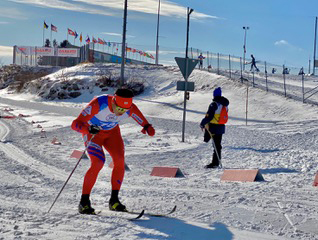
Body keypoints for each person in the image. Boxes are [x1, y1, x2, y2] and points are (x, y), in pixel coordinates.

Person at [71, 88, 155, 214]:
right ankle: (84, 202)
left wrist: (147, 127)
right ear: (114, 102)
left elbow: (140, 118)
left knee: (120, 161)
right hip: (94, 134)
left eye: (125, 110)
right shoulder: (99, 103)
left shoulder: (130, 107)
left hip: (112, 134)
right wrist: (88, 129)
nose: (121, 113)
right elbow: (75, 124)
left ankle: (114, 201)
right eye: (119, 109)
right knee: (98, 162)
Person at [200, 87, 229, 168]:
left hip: (213, 126)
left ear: (214, 95)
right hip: (221, 126)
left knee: (215, 145)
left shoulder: (214, 104)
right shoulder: (225, 105)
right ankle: (217, 161)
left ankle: (215, 163)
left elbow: (209, 116)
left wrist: (202, 123)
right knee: (217, 145)